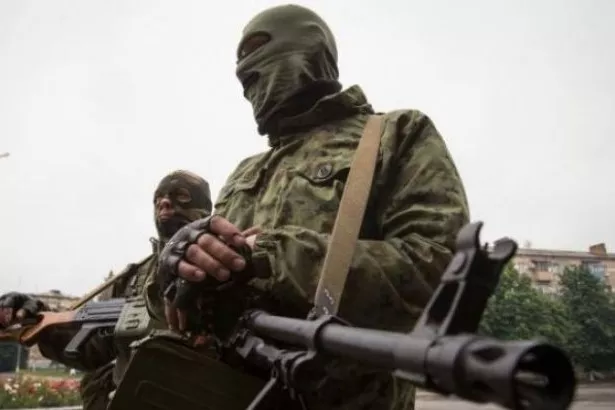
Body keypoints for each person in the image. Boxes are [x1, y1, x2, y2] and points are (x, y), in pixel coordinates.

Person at [158, 4, 469, 410]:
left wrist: (270, 257)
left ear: (310, 48)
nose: (247, 80)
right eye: (241, 73)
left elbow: (439, 271)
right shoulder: (243, 173)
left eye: (257, 56)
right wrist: (180, 271)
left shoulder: (393, 135)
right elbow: (207, 292)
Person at [0, 170, 212, 410]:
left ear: (205, 209)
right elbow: (93, 348)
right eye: (158, 199)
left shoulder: (226, 267)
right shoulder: (132, 279)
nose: (164, 202)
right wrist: (36, 320)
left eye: (181, 196)